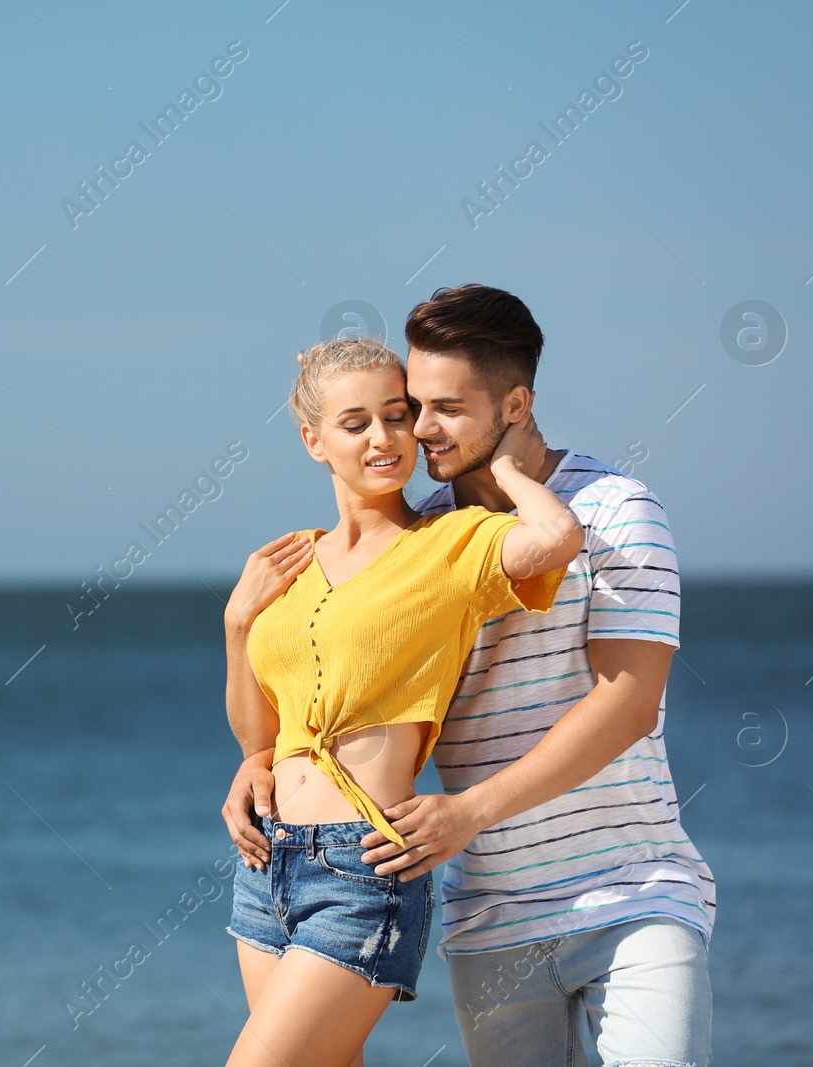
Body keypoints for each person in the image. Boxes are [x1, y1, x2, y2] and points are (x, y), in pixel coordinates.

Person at [222, 285, 715, 1066]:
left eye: (440, 408)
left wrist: (468, 811)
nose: (416, 429)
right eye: (408, 405)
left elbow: (627, 706)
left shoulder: (618, 509)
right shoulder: (428, 526)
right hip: (491, 909)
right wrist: (259, 755)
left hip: (629, 894)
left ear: (515, 403)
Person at [220, 335, 581, 1067]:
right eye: (357, 423)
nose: (386, 438)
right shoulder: (288, 563)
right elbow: (262, 739)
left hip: (365, 870)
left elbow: (557, 534)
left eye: (398, 414)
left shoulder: (449, 544)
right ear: (313, 440)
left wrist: (504, 465)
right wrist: (236, 627)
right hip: (265, 868)